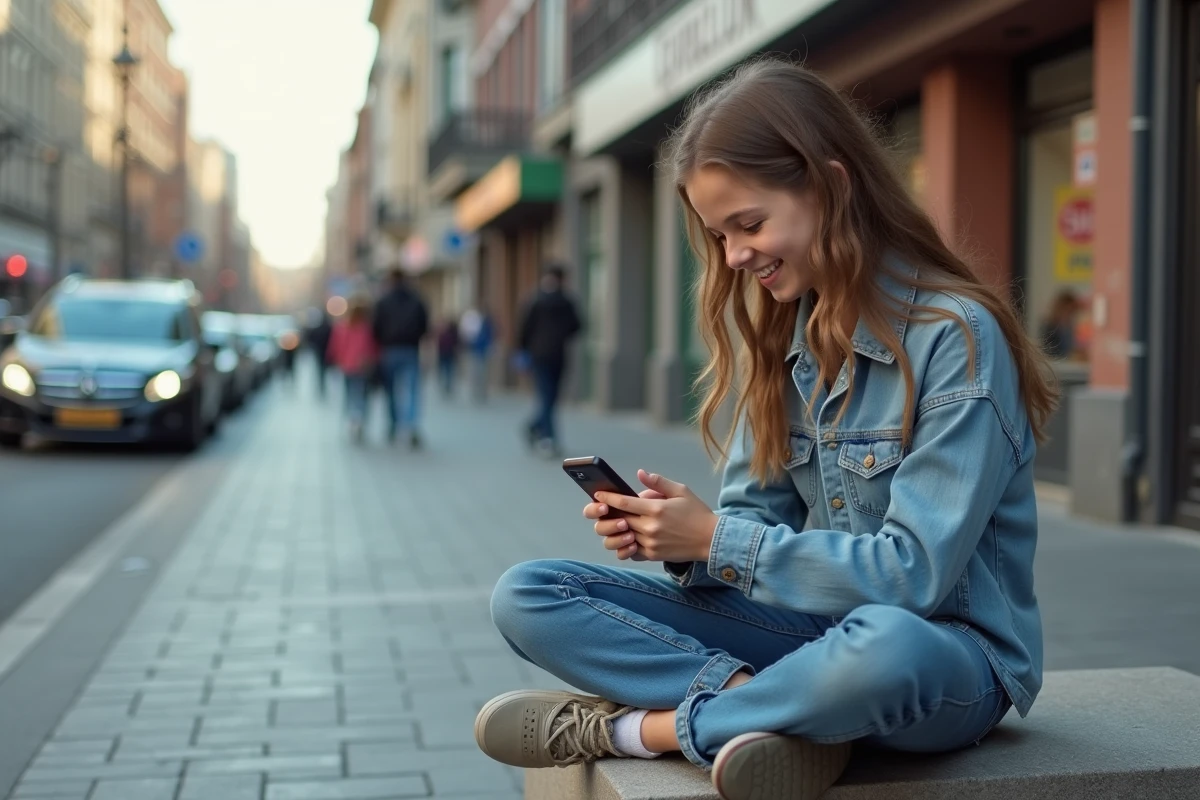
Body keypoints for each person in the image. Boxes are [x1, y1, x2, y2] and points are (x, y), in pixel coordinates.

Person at [474, 60, 1057, 800]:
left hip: (949, 657)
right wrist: (679, 540)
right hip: (812, 637)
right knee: (528, 593)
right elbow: (754, 527)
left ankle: (637, 729)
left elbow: (913, 576)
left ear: (834, 186)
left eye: (748, 224)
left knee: (884, 645)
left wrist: (716, 540)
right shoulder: (784, 339)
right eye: (719, 236)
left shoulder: (958, 338)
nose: (735, 256)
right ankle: (776, 718)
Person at [517, 264, 581, 455]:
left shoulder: (536, 299)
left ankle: (536, 426)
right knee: (549, 397)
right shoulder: (565, 301)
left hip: (541, 355)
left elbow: (524, 329)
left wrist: (524, 350)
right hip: (554, 355)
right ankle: (548, 437)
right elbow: (577, 326)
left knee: (548, 396)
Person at [372, 268, 429, 449]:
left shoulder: (383, 301)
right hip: (410, 349)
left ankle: (393, 425)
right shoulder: (416, 299)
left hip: (389, 350)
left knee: (391, 392)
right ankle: (411, 426)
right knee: (412, 390)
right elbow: (424, 325)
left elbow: (376, 328)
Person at [326, 298, 378, 443]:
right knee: (361, 394)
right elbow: (372, 347)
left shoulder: (342, 327)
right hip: (362, 366)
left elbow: (336, 346)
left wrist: (336, 359)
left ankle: (353, 419)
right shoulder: (366, 328)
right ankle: (359, 419)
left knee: (350, 394)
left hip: (347, 366)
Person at [459, 305, 495, 403]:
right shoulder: (475, 321)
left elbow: (489, 336)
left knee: (482, 372)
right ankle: (477, 391)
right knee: (476, 371)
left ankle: (482, 391)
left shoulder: (486, 323)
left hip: (482, 350)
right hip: (475, 350)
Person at [306, 310, 333, 399]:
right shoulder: (330, 328)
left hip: (319, 352)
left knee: (320, 371)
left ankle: (321, 387)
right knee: (325, 370)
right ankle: (323, 387)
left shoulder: (317, 328)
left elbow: (311, 339)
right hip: (327, 352)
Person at [435, 317, 461, 398]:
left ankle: (448, 385)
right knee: (446, 370)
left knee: (448, 370)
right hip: (444, 354)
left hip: (448, 354)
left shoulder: (451, 333)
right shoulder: (443, 333)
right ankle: (446, 385)